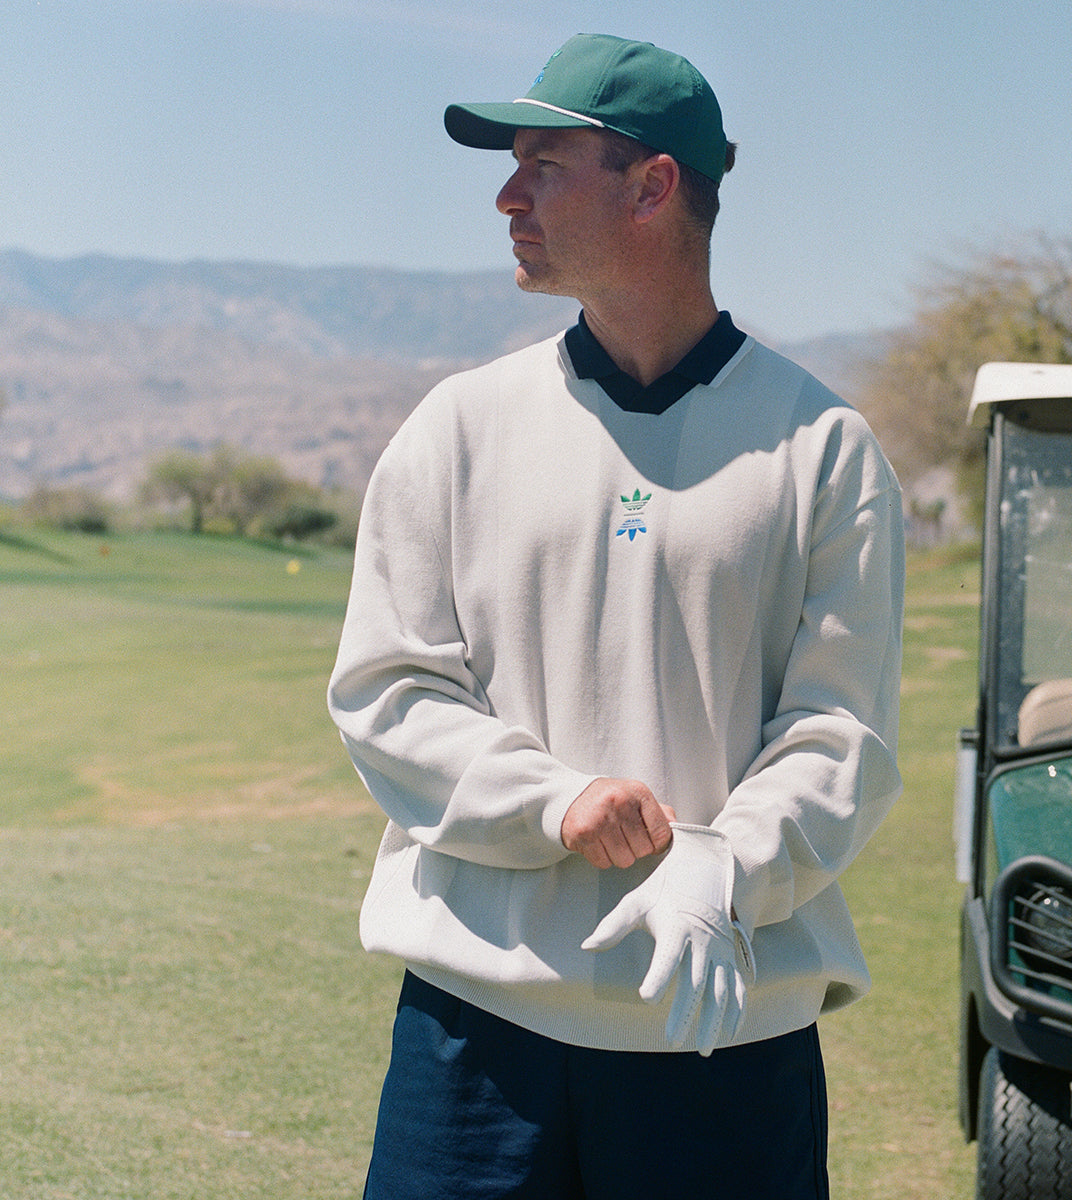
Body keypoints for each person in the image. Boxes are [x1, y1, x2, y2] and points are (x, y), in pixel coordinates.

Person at [328, 32, 904, 1200]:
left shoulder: (824, 449)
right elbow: (388, 692)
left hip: (723, 1038)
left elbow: (843, 734)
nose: (505, 193)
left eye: (543, 161)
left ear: (653, 186)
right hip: (476, 1040)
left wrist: (722, 867)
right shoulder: (459, 426)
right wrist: (556, 801)